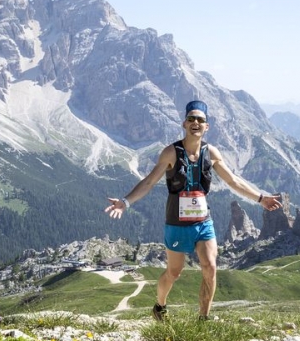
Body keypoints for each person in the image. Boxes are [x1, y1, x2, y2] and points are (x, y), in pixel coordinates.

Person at [105, 100, 282, 321]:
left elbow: (233, 181)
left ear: (207, 127)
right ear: (184, 124)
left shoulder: (212, 153)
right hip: (177, 223)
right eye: (191, 119)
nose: (195, 123)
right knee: (174, 272)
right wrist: (126, 202)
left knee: (210, 267)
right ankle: (160, 306)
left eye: (200, 120)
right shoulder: (171, 152)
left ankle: (203, 319)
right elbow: (149, 182)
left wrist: (261, 198)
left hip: (203, 221)